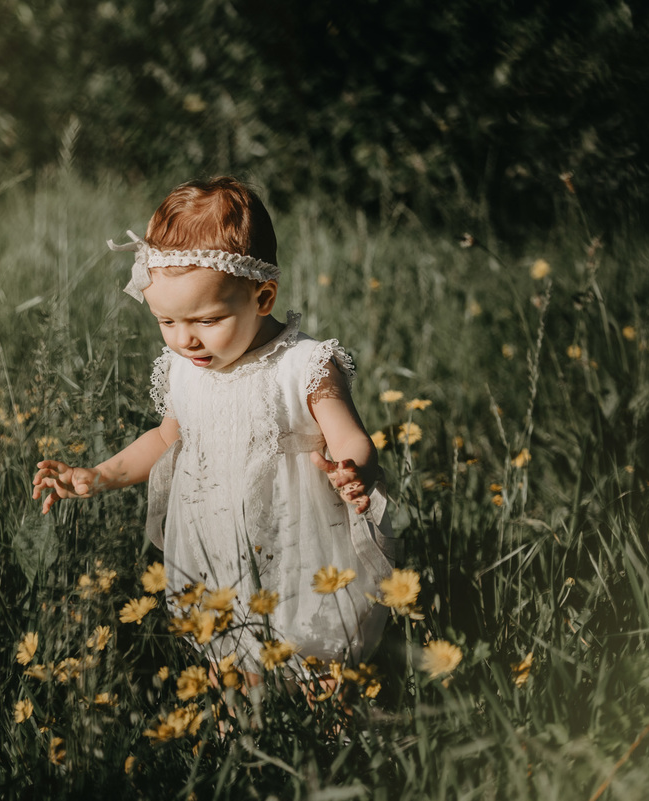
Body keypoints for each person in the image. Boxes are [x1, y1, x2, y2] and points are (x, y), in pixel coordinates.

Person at [31, 177, 396, 681]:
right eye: (166, 322)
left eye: (206, 320)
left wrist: (353, 468)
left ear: (262, 297)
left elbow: (349, 437)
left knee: (316, 648)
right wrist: (99, 475)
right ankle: (240, 740)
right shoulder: (184, 368)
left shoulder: (303, 365)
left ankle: (329, 734)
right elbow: (166, 439)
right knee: (233, 648)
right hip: (217, 541)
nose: (185, 340)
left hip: (298, 539)